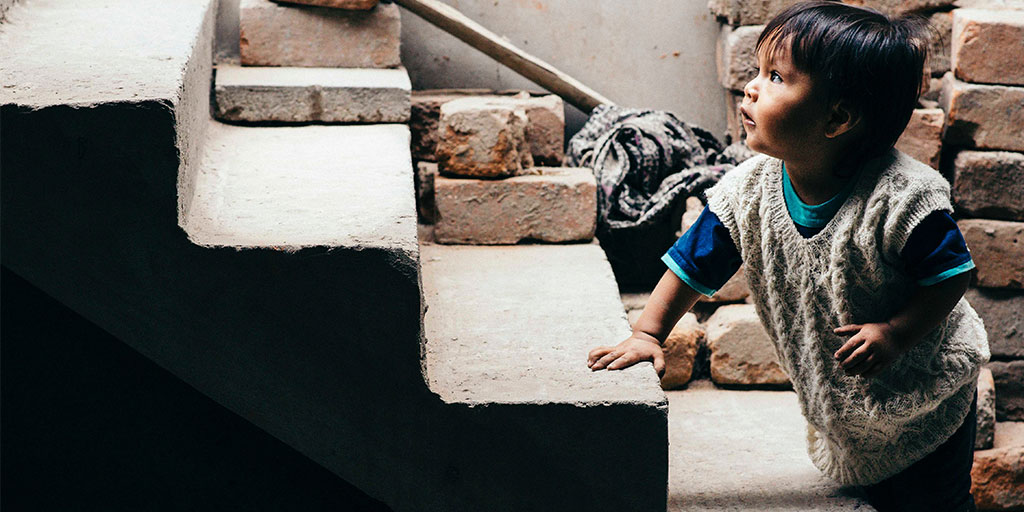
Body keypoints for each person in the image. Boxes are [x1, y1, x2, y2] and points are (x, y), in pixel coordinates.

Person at [586, 2, 990, 511]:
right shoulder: (747, 192)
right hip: (849, 401)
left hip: (929, 392)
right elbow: (691, 263)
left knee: (935, 502)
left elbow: (952, 277)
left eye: (775, 77)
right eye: (757, 71)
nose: (751, 87)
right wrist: (648, 333)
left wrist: (896, 332)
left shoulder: (905, 200)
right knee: (875, 487)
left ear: (837, 117)